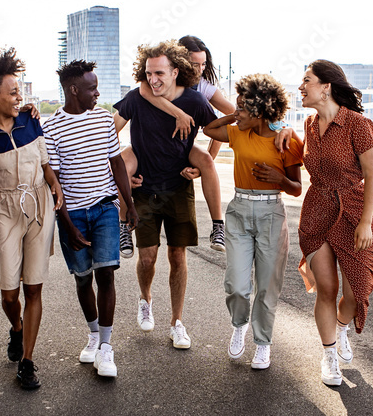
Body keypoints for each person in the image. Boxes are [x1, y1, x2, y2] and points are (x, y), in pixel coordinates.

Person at [0, 45, 63, 391]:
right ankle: (16, 328)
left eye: (21, 91)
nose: (20, 97)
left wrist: (54, 185)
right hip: (3, 210)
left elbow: (45, 160)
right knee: (9, 292)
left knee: (34, 285)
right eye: (13, 91)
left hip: (39, 205)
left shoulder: (30, 121)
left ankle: (28, 361)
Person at [112, 40, 217, 348]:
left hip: (179, 188)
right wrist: (122, 175)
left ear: (175, 72)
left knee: (177, 255)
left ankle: (177, 323)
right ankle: (145, 300)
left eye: (159, 73)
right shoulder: (136, 97)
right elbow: (108, 132)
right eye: (148, 73)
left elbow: (218, 131)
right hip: (143, 188)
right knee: (147, 258)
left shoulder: (195, 101)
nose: (153, 79)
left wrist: (264, 121)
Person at [297, 60, 373, 386]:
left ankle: (341, 329)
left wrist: (365, 222)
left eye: (306, 80)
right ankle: (328, 357)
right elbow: (302, 160)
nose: (300, 87)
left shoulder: (357, 124)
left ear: (326, 86)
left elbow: (371, 174)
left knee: (355, 293)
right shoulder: (308, 125)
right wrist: (282, 134)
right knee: (327, 288)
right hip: (317, 213)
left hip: (354, 213)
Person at [201, 74, 303, 370]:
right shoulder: (238, 132)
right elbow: (209, 128)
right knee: (236, 284)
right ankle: (239, 325)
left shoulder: (288, 141)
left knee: (267, 286)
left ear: (260, 111)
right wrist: (235, 115)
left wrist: (279, 179)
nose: (237, 114)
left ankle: (262, 343)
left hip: (272, 213)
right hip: (239, 210)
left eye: (244, 109)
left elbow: (297, 188)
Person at [43, 60, 137, 378]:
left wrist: (129, 203)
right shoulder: (52, 126)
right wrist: (66, 223)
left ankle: (107, 348)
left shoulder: (102, 119)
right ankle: (94, 335)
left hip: (105, 207)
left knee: (106, 273)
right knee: (83, 277)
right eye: (92, 88)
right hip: (73, 215)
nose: (97, 93)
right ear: (73, 90)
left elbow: (117, 163)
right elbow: (53, 181)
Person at [118, 35, 235, 256]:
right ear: (180, 61)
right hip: (148, 146)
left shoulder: (203, 90)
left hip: (183, 145)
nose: (199, 70)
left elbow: (217, 126)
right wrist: (179, 113)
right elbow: (144, 91)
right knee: (123, 163)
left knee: (207, 161)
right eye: (194, 64)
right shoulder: (150, 83)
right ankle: (123, 224)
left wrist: (204, 165)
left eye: (203, 65)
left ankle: (218, 225)